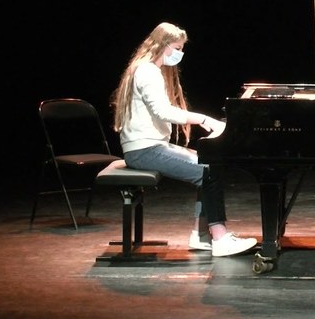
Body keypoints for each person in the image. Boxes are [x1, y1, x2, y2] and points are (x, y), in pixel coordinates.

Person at [110, 21, 257, 257]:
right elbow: (163, 111)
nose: (180, 53)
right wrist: (202, 119)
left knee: (208, 163)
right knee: (207, 171)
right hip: (144, 151)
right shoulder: (147, 71)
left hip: (148, 147)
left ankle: (200, 236)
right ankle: (219, 238)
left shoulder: (144, 69)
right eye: (177, 48)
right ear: (163, 44)